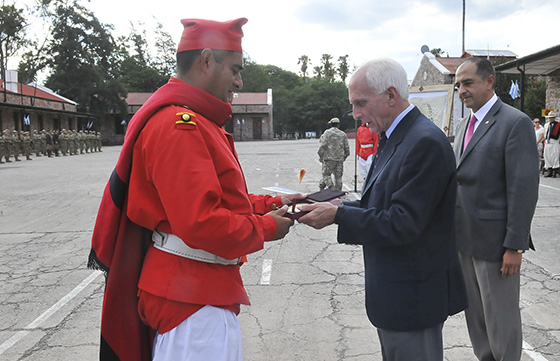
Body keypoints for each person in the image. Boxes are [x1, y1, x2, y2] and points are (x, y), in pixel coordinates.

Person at [88, 18, 304, 361]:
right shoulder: (179, 125)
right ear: (206, 61)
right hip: (191, 298)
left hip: (195, 291)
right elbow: (201, 221)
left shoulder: (192, 120)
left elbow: (214, 200)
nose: (239, 81)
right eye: (235, 69)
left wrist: (271, 203)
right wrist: (266, 228)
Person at [298, 58, 468, 361]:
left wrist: (338, 215)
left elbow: (402, 223)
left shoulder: (423, 141)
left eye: (361, 103)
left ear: (391, 96)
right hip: (395, 297)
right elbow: (378, 203)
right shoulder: (395, 137)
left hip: (413, 300)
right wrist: (337, 206)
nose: (356, 114)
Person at [453, 57, 539, 361]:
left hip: (495, 245)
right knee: (477, 322)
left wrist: (514, 246)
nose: (461, 90)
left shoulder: (515, 123)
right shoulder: (465, 124)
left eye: (468, 83)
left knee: (501, 321)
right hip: (464, 239)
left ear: (490, 81)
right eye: (458, 85)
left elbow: (523, 190)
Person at [318, 117, 350, 191]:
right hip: (339, 159)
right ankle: (338, 192)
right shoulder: (343, 134)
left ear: (330, 125)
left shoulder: (327, 133)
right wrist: (345, 156)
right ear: (338, 125)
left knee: (326, 175)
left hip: (329, 159)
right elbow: (347, 147)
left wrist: (320, 155)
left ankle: (331, 187)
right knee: (338, 177)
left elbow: (323, 145)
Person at [543, 111, 560, 177]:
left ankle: (554, 171)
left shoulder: (558, 125)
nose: (550, 119)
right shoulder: (546, 125)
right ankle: (549, 170)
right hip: (548, 142)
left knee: (554, 157)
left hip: (554, 142)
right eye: (550, 118)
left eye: (552, 118)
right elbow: (545, 133)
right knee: (547, 157)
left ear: (554, 118)